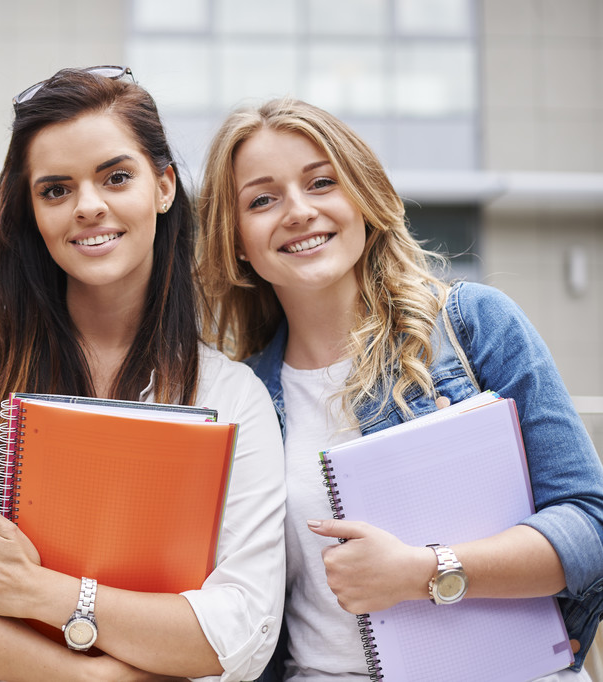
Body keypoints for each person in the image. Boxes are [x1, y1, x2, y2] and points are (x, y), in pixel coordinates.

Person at [0, 66, 287, 681]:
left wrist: (46, 595)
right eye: (55, 189)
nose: (88, 206)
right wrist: (85, 678)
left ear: (162, 187)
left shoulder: (231, 396)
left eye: (116, 177)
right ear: (32, 212)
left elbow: (240, 632)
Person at [197, 97, 603, 681]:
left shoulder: (472, 326)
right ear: (235, 239)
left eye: (321, 183)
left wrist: (423, 570)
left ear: (361, 196)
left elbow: (589, 526)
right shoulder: (239, 396)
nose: (297, 211)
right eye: (262, 200)